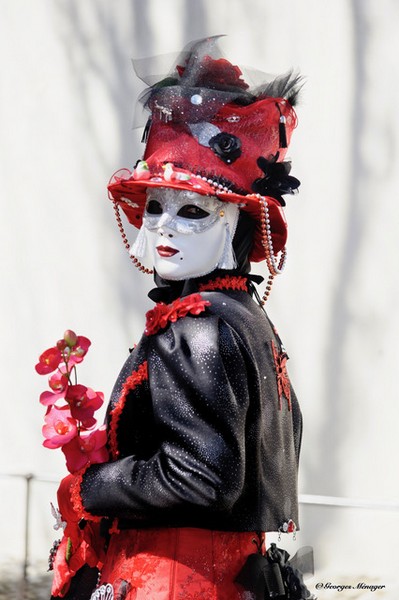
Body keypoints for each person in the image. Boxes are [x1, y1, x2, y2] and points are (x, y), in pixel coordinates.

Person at [50, 37, 306, 600]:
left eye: (192, 211)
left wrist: (90, 487)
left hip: (172, 579)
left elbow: (203, 475)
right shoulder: (248, 320)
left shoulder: (195, 325)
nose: (164, 226)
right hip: (233, 575)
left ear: (238, 222)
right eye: (156, 206)